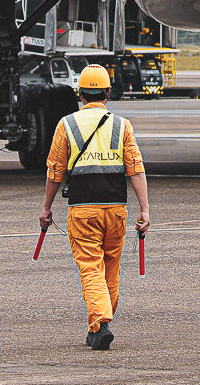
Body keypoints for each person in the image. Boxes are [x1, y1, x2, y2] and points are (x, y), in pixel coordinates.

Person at [39, 63, 150, 351]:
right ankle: (97, 326)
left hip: (83, 209)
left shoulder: (67, 124)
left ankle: (101, 321)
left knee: (90, 266)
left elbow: (55, 171)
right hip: (116, 209)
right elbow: (136, 169)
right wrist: (145, 209)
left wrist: (46, 208)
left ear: (80, 94)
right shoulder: (122, 125)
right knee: (110, 267)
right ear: (108, 92)